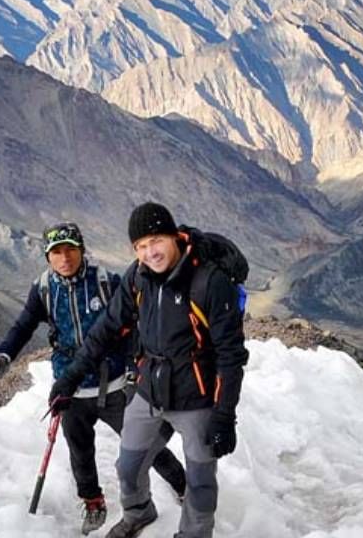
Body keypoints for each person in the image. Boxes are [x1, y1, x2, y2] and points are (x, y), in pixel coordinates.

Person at [49, 203, 249, 538]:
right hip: (150, 390)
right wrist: (70, 377)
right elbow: (106, 328)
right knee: (128, 466)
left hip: (196, 397)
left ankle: (194, 534)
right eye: (140, 246)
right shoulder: (138, 276)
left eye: (155, 240)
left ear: (173, 236)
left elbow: (231, 355)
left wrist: (225, 415)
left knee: (199, 479)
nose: (149, 252)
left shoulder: (208, 282)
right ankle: (139, 513)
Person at [0, 221, 187, 535]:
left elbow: (134, 324)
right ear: (48, 256)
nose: (65, 258)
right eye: (57, 252)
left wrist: (134, 368)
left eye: (70, 250)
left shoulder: (106, 282)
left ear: (81, 250)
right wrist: (2, 357)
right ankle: (92, 502)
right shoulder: (44, 289)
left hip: (115, 384)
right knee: (80, 454)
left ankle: (183, 485)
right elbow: (22, 328)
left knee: (145, 446)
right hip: (70, 389)